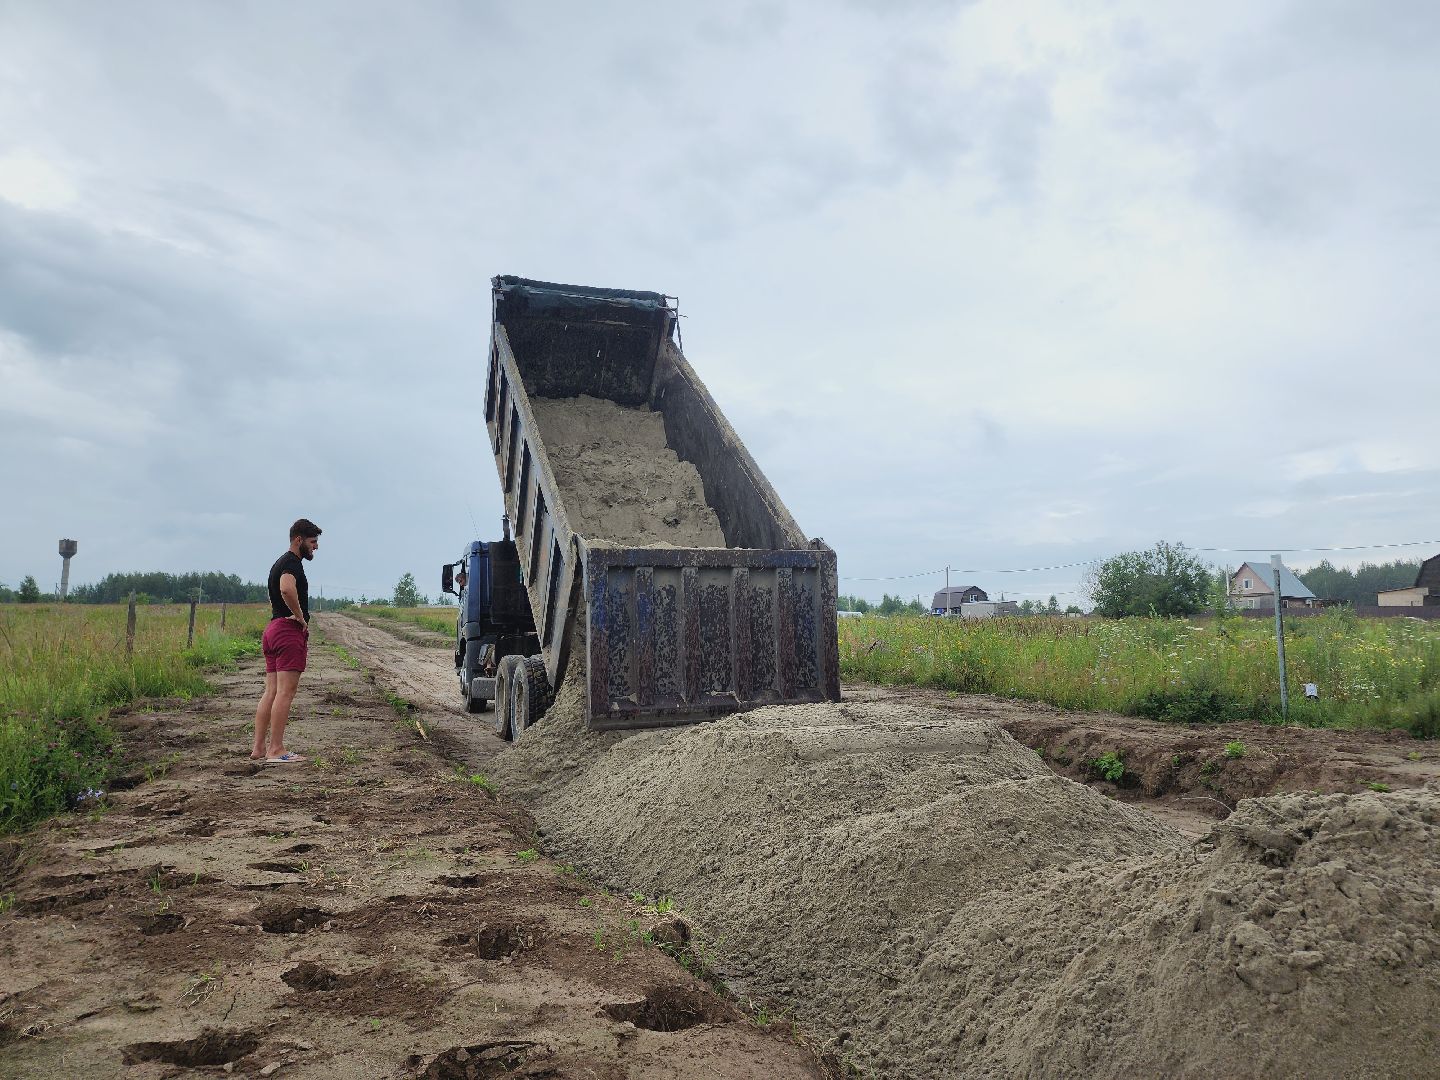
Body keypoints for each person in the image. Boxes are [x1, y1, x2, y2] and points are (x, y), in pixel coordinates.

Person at [252, 518, 322, 763]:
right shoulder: (292, 563)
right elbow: (286, 589)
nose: (316, 547)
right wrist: (301, 619)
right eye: (313, 542)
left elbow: (275, 595)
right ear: (298, 539)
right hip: (286, 631)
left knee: (271, 691)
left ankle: (259, 748)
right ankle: (276, 750)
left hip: (272, 629)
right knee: (285, 692)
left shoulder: (278, 562)